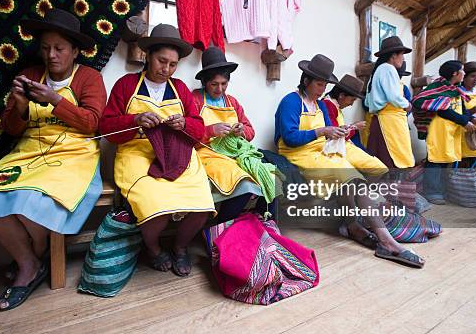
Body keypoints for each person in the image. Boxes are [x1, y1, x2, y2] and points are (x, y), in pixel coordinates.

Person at [0, 8, 107, 311]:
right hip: (30, 150)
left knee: (35, 202)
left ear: (75, 51)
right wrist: (18, 106)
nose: (51, 55)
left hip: (74, 154)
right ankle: (29, 260)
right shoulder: (30, 75)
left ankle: (34, 258)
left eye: (59, 48)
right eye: (45, 48)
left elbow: (92, 124)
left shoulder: (89, 78)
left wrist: (55, 100)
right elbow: (10, 128)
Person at [275, 54, 424, 268]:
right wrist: (321, 130)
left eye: (325, 84)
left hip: (321, 151)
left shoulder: (320, 105)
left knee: (355, 177)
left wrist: (339, 131)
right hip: (298, 154)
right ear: (306, 80)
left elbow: (327, 133)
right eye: (319, 83)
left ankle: (354, 225)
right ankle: (387, 242)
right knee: (353, 179)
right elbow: (289, 138)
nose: (322, 89)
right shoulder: (291, 101)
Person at [98, 24, 215, 277]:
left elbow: (198, 128)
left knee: (202, 206)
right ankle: (152, 248)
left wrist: (184, 123)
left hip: (178, 153)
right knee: (156, 206)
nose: (167, 69)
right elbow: (106, 128)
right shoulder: (127, 84)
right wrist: (134, 120)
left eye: (173, 64)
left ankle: (180, 247)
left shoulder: (181, 89)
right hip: (136, 153)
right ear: (148, 55)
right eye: (162, 61)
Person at [191, 47, 269, 222]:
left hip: (233, 154)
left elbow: (250, 131)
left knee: (270, 176)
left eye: (224, 83)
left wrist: (242, 131)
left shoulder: (232, 102)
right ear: (204, 82)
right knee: (245, 184)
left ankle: (257, 225)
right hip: (207, 154)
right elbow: (187, 134)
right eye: (214, 84)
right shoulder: (195, 99)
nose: (220, 89)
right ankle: (219, 226)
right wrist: (211, 130)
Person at [413, 60, 476, 204]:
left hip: (451, 131)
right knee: (435, 160)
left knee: (446, 160)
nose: (464, 73)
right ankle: (432, 192)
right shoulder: (439, 88)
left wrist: (472, 118)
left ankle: (442, 190)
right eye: (462, 71)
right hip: (439, 130)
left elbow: (461, 109)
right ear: (455, 73)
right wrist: (465, 122)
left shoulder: (455, 89)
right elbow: (443, 111)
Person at [363, 36, 415, 169]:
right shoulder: (388, 69)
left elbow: (368, 101)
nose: (403, 58)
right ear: (393, 55)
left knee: (379, 158)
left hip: (380, 121)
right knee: (390, 159)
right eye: (402, 55)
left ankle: (379, 189)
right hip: (389, 123)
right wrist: (407, 105)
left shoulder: (378, 71)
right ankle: (391, 189)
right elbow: (394, 96)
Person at [323, 74, 387, 176]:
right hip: (338, 148)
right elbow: (334, 134)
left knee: (379, 169)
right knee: (378, 169)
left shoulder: (334, 105)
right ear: (341, 96)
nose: (351, 104)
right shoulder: (328, 105)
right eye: (352, 100)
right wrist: (354, 127)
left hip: (343, 145)